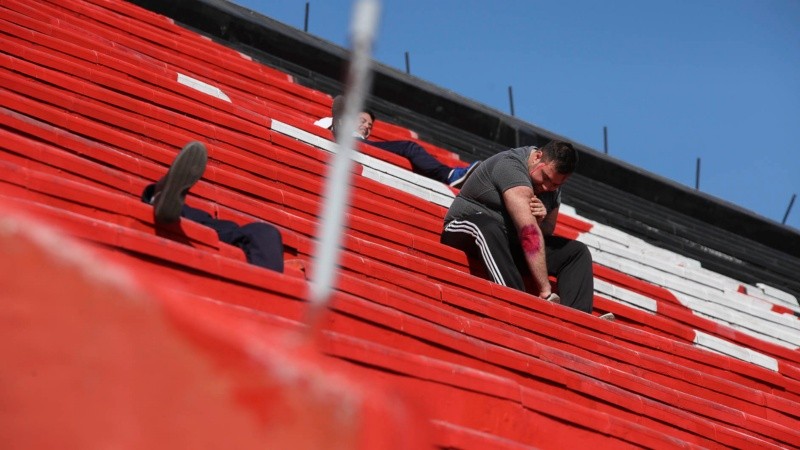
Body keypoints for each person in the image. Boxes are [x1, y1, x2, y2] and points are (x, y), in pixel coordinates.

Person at [440, 140, 595, 314]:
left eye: (556, 184)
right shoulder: (510, 166)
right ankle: (517, 303)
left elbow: (545, 231)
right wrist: (545, 289)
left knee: (576, 251)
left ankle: (578, 317)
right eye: (545, 177)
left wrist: (540, 220)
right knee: (490, 227)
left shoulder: (552, 187)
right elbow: (528, 232)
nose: (547, 186)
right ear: (537, 157)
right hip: (464, 227)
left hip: (507, 242)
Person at [141, 141, 284, 273]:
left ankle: (159, 195)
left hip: (220, 228)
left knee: (263, 232)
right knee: (264, 232)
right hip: (223, 230)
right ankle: (162, 196)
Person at [319, 95, 480, 188]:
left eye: (370, 125)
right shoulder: (331, 121)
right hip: (347, 141)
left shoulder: (364, 139)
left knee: (409, 147)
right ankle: (449, 175)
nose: (366, 126)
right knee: (408, 146)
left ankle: (448, 175)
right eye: (362, 120)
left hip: (361, 146)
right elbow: (317, 128)